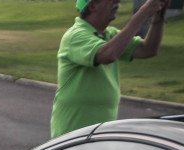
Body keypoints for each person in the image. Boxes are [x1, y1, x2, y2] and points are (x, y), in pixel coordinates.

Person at [50, 0, 168, 138]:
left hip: (100, 138)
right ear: (92, 5)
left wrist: (160, 13)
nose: (117, 1)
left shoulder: (109, 35)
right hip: (72, 138)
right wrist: (142, 13)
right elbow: (107, 54)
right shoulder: (75, 35)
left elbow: (148, 49)